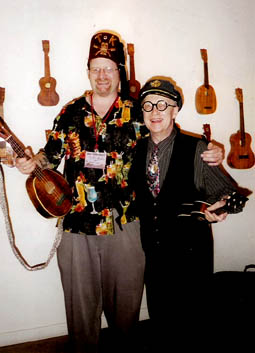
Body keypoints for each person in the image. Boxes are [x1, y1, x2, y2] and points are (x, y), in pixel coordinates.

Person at [15, 32, 224, 353]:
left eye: (109, 68)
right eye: (96, 68)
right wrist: (31, 163)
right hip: (76, 226)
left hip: (127, 225)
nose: (102, 75)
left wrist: (210, 152)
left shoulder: (137, 111)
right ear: (88, 71)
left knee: (125, 313)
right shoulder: (70, 111)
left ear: (119, 72)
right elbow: (50, 154)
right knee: (80, 312)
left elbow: (170, 139)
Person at [128, 76, 247, 350]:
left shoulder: (198, 148)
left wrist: (219, 208)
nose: (155, 112)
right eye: (148, 105)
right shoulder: (136, 151)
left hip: (190, 256)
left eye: (162, 104)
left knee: (193, 326)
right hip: (153, 254)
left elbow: (228, 194)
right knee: (161, 321)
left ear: (175, 110)